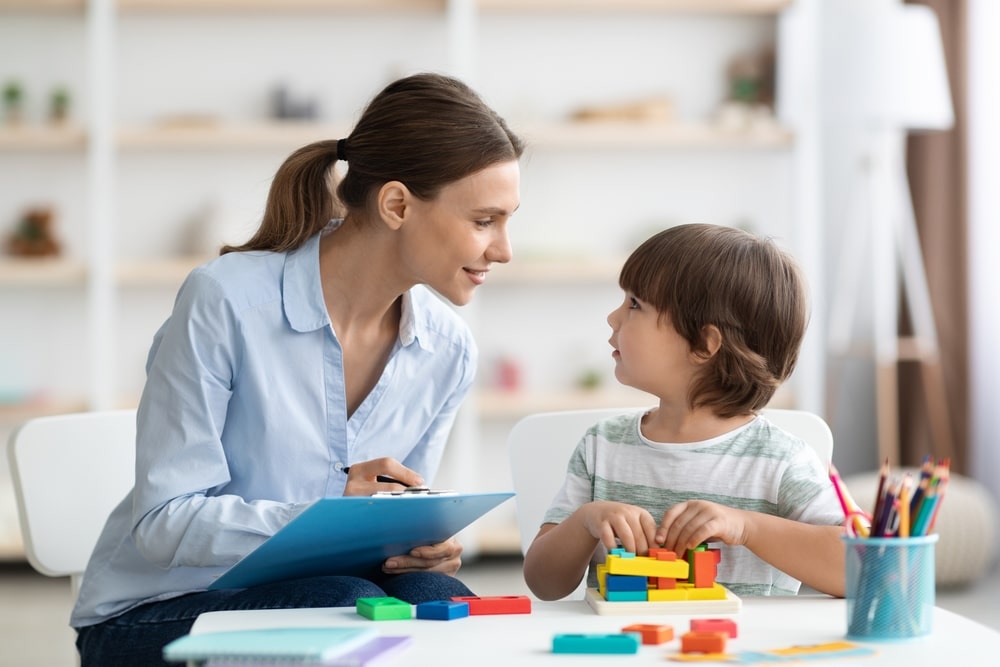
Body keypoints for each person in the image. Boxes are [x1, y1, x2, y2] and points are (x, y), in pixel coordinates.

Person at [72, 72, 524, 666]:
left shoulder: (447, 349)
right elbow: (163, 523)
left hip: (324, 591)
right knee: (345, 603)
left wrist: (419, 547)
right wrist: (323, 510)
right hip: (156, 612)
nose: (504, 249)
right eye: (484, 221)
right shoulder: (227, 301)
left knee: (439, 599)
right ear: (396, 205)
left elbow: (393, 520)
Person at [522, 223, 845, 601]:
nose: (613, 317)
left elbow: (859, 570)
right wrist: (584, 522)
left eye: (635, 304)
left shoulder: (781, 460)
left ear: (703, 345)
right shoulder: (601, 445)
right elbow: (543, 583)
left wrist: (747, 527)